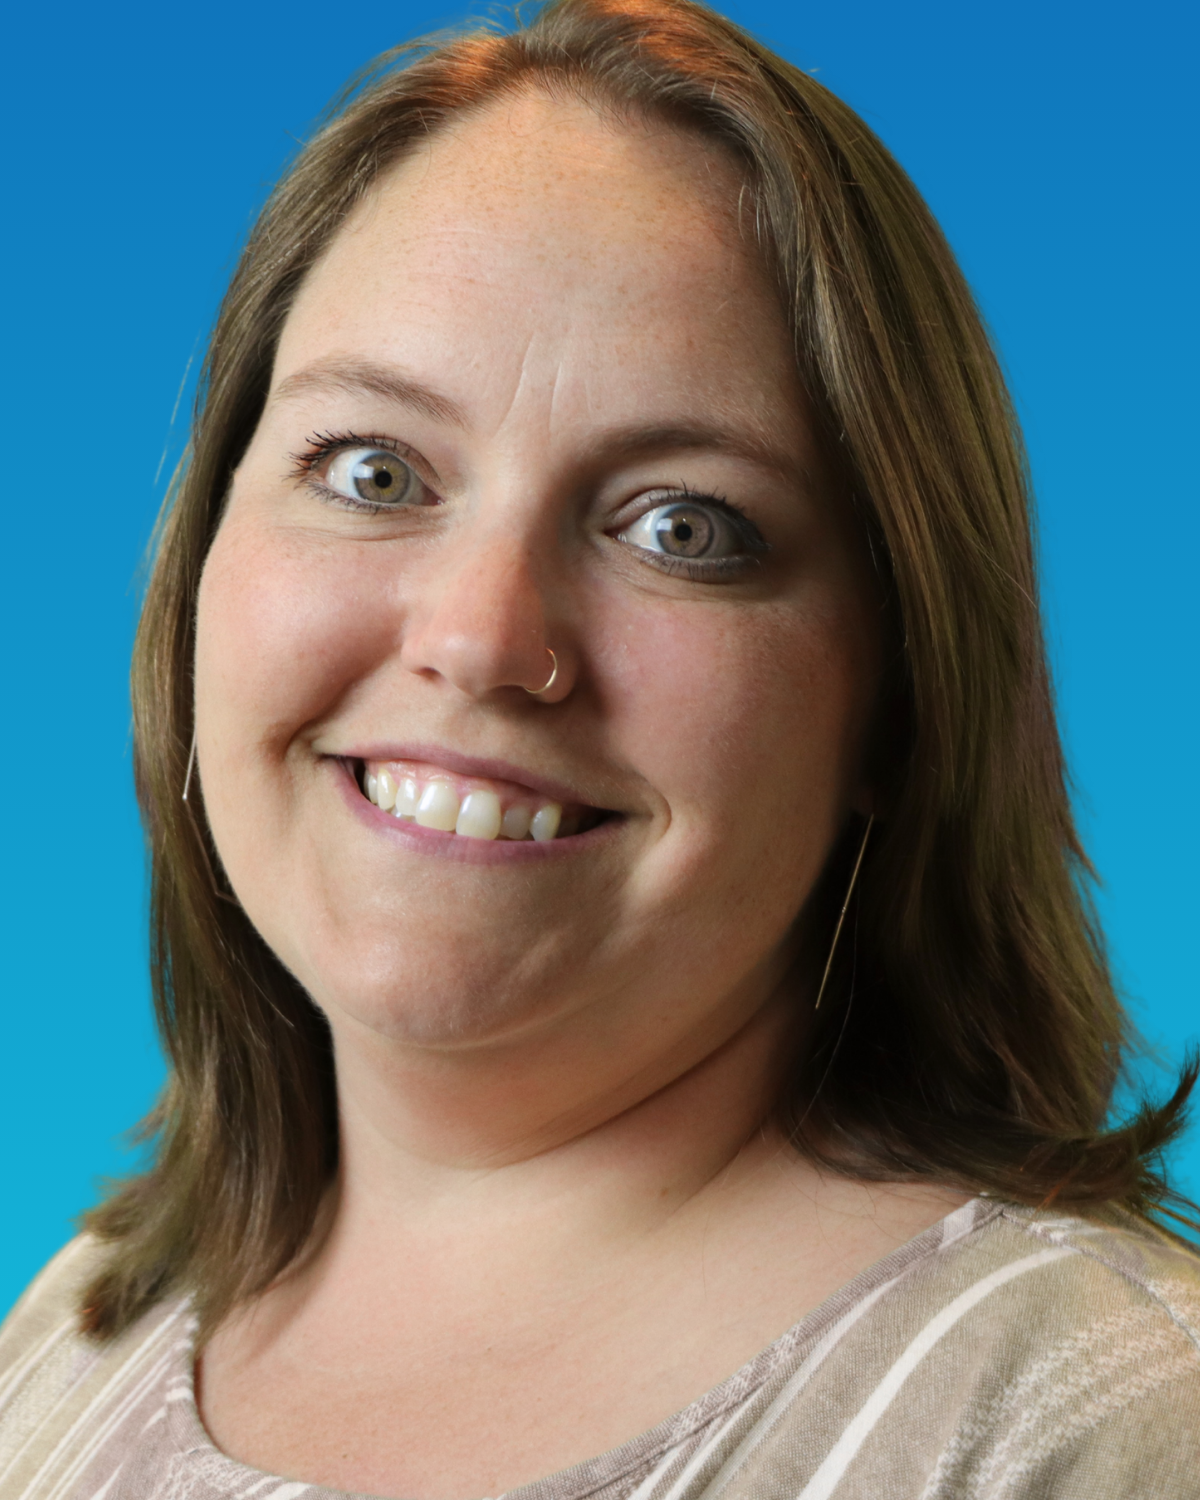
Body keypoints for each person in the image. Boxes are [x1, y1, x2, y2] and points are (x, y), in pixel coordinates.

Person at [2, 0, 1198, 1495]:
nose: (484, 637)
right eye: (373, 470)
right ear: (202, 568)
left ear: (902, 699)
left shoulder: (1087, 1421)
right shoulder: (82, 1327)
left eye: (682, 527)